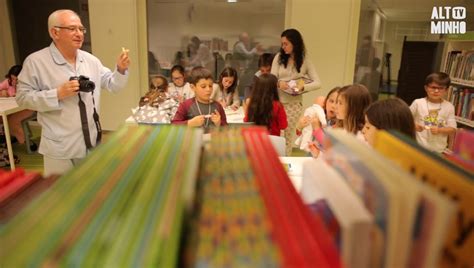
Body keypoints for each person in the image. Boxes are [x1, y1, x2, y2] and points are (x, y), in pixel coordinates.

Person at [16, 9, 130, 176]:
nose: (79, 34)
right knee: (61, 194)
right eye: (72, 29)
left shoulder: (90, 60)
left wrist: (120, 69)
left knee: (88, 191)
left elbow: (113, 85)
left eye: (81, 29)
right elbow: (22, 98)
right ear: (55, 32)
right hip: (60, 148)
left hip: (91, 142)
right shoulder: (36, 62)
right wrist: (57, 94)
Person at [271, 28, 321, 156]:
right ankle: (276, 161)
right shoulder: (278, 57)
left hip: (294, 105)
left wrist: (303, 87)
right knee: (277, 136)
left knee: (288, 138)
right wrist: (278, 83)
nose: (283, 47)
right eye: (282, 44)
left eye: (286, 44)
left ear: (295, 43)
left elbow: (318, 82)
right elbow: (271, 79)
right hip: (277, 103)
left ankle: (285, 164)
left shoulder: (305, 60)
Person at [409, 72, 456, 153]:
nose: (436, 91)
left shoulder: (449, 107)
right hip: (417, 146)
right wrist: (413, 125)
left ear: (446, 90)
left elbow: (452, 129)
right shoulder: (418, 103)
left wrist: (440, 130)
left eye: (441, 88)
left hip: (438, 149)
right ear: (426, 88)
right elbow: (404, 119)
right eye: (433, 87)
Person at [172, 67, 227, 133]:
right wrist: (190, 123)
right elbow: (174, 125)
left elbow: (226, 128)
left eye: (210, 86)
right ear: (193, 87)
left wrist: (219, 123)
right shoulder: (185, 105)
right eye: (203, 86)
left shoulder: (218, 106)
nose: (208, 89)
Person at [0, 65, 36, 146]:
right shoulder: (8, 82)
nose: (14, 81)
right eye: (12, 78)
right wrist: (2, 93)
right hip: (12, 108)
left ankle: (27, 143)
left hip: (27, 108)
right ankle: (8, 140)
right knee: (2, 118)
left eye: (17, 79)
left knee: (12, 122)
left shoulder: (28, 84)